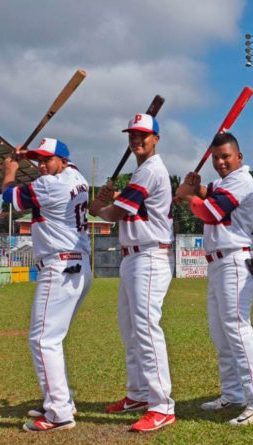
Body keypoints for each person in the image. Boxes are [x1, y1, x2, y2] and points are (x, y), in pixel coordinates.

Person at [175, 132, 253, 426]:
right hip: (218, 262)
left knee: (237, 329)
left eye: (226, 157)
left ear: (239, 157)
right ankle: (233, 393)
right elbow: (210, 192)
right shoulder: (223, 182)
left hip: (233, 259)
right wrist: (194, 186)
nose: (220, 162)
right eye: (216, 158)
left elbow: (211, 212)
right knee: (220, 333)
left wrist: (190, 194)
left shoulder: (242, 179)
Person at [89, 114, 176, 432]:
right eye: (133, 135)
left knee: (146, 330)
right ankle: (139, 394)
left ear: (156, 138)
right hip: (133, 258)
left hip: (149, 256)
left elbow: (114, 214)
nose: (137, 140)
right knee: (130, 331)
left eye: (143, 135)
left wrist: (98, 206)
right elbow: (126, 205)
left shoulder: (151, 170)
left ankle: (162, 405)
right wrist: (109, 198)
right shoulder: (141, 172)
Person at [1, 138, 92, 432]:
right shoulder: (75, 175)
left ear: (62, 162)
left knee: (43, 340)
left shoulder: (49, 185)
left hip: (60, 265)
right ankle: (61, 401)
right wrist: (28, 154)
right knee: (52, 339)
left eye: (48, 160)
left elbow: (10, 196)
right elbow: (51, 164)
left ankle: (58, 413)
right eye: (39, 160)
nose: (42, 165)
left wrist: (11, 168)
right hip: (78, 266)